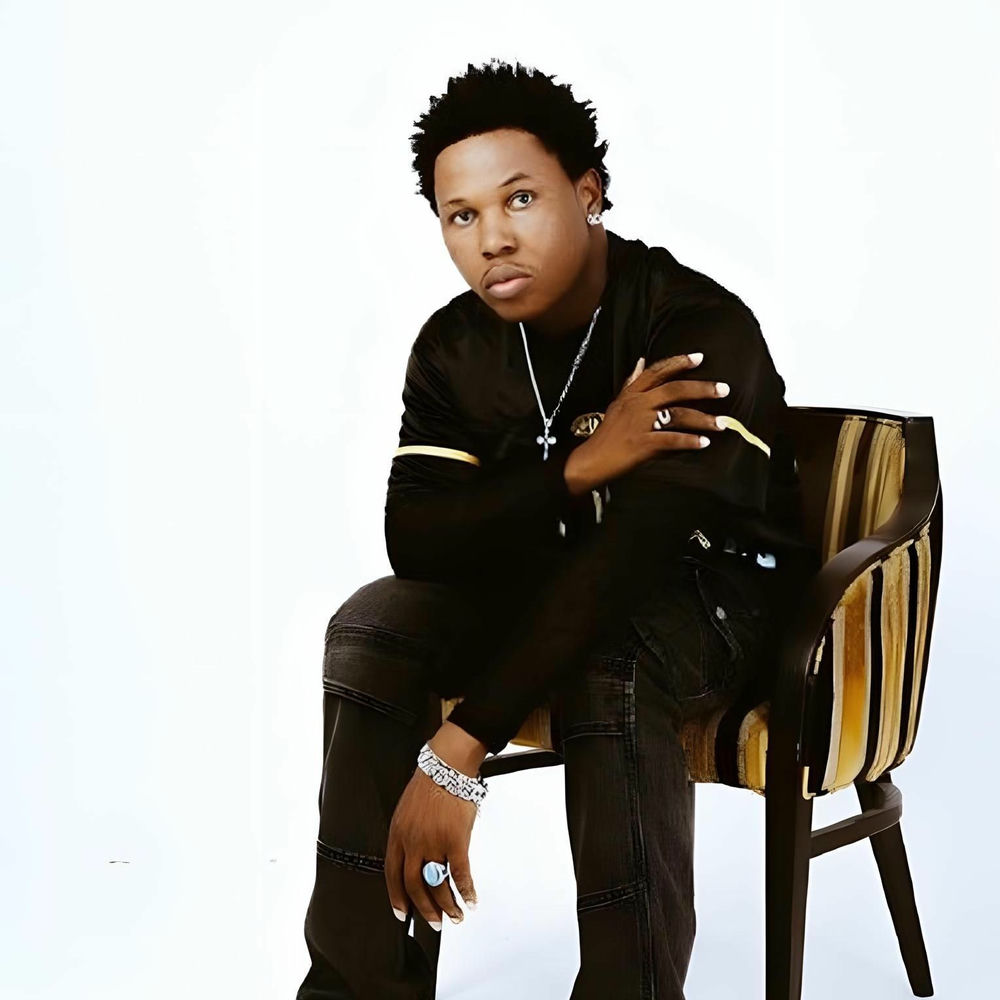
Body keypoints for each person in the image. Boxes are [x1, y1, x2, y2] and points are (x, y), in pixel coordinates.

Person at [295, 59, 820, 1000]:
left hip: (715, 600)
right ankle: (356, 988)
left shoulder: (692, 325)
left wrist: (461, 749)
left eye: (521, 198)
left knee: (612, 655)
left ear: (589, 192)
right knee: (373, 625)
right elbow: (417, 540)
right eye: (461, 215)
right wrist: (579, 466)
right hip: (549, 589)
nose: (493, 238)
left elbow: (636, 556)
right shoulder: (455, 346)